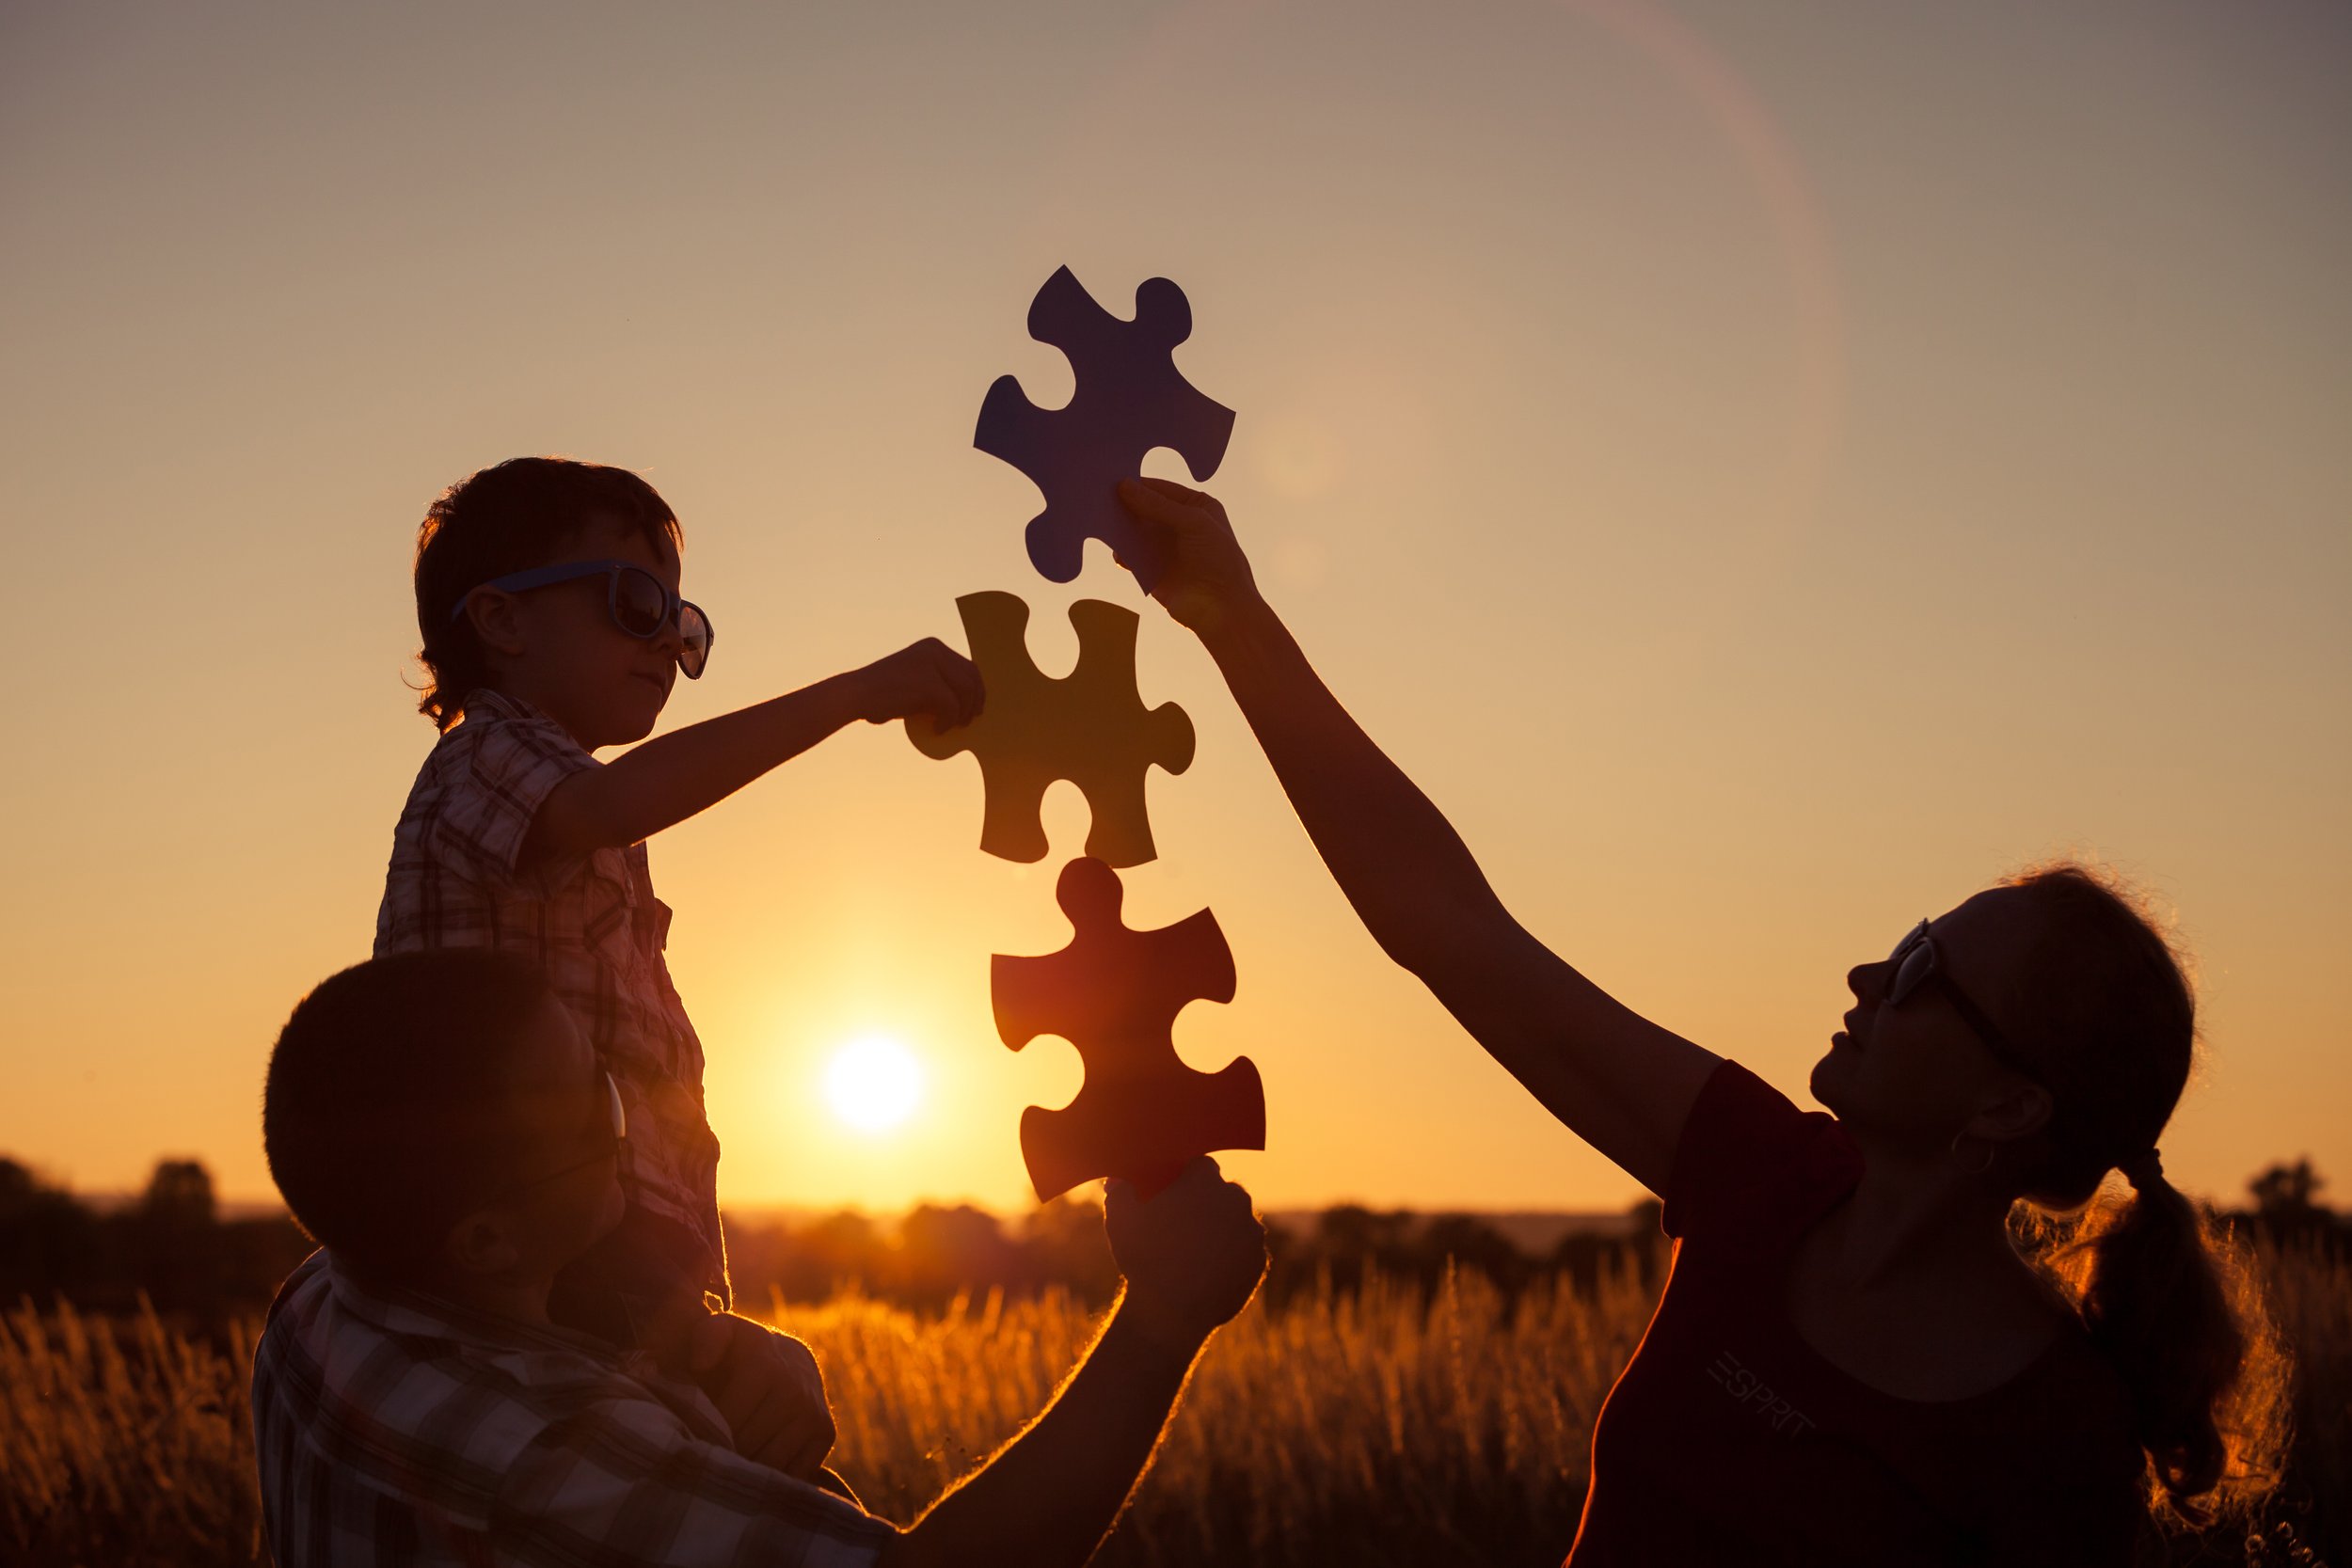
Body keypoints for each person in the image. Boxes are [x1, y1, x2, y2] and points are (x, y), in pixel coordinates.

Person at [1107, 476, 2285, 1565]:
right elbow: (1447, 926)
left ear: (2009, 1101)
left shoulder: (2055, 1438)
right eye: (1908, 932)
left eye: (1926, 966)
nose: (1871, 969)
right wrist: (1230, 614)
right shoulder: (1764, 1174)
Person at [252, 950, 1267, 1567]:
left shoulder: (317, 1304)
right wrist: (1163, 1317)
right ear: (482, 1238)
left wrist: (689, 1338)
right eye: (588, 1108)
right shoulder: (544, 1453)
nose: (624, 1120)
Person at [375, 456, 983, 1445]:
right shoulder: (488, 755)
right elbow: (619, 799)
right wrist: (854, 692)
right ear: (501, 621)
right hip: (543, 1238)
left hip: (608, 1246)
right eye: (635, 599)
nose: (666, 640)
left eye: (682, 623)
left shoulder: (572, 803)